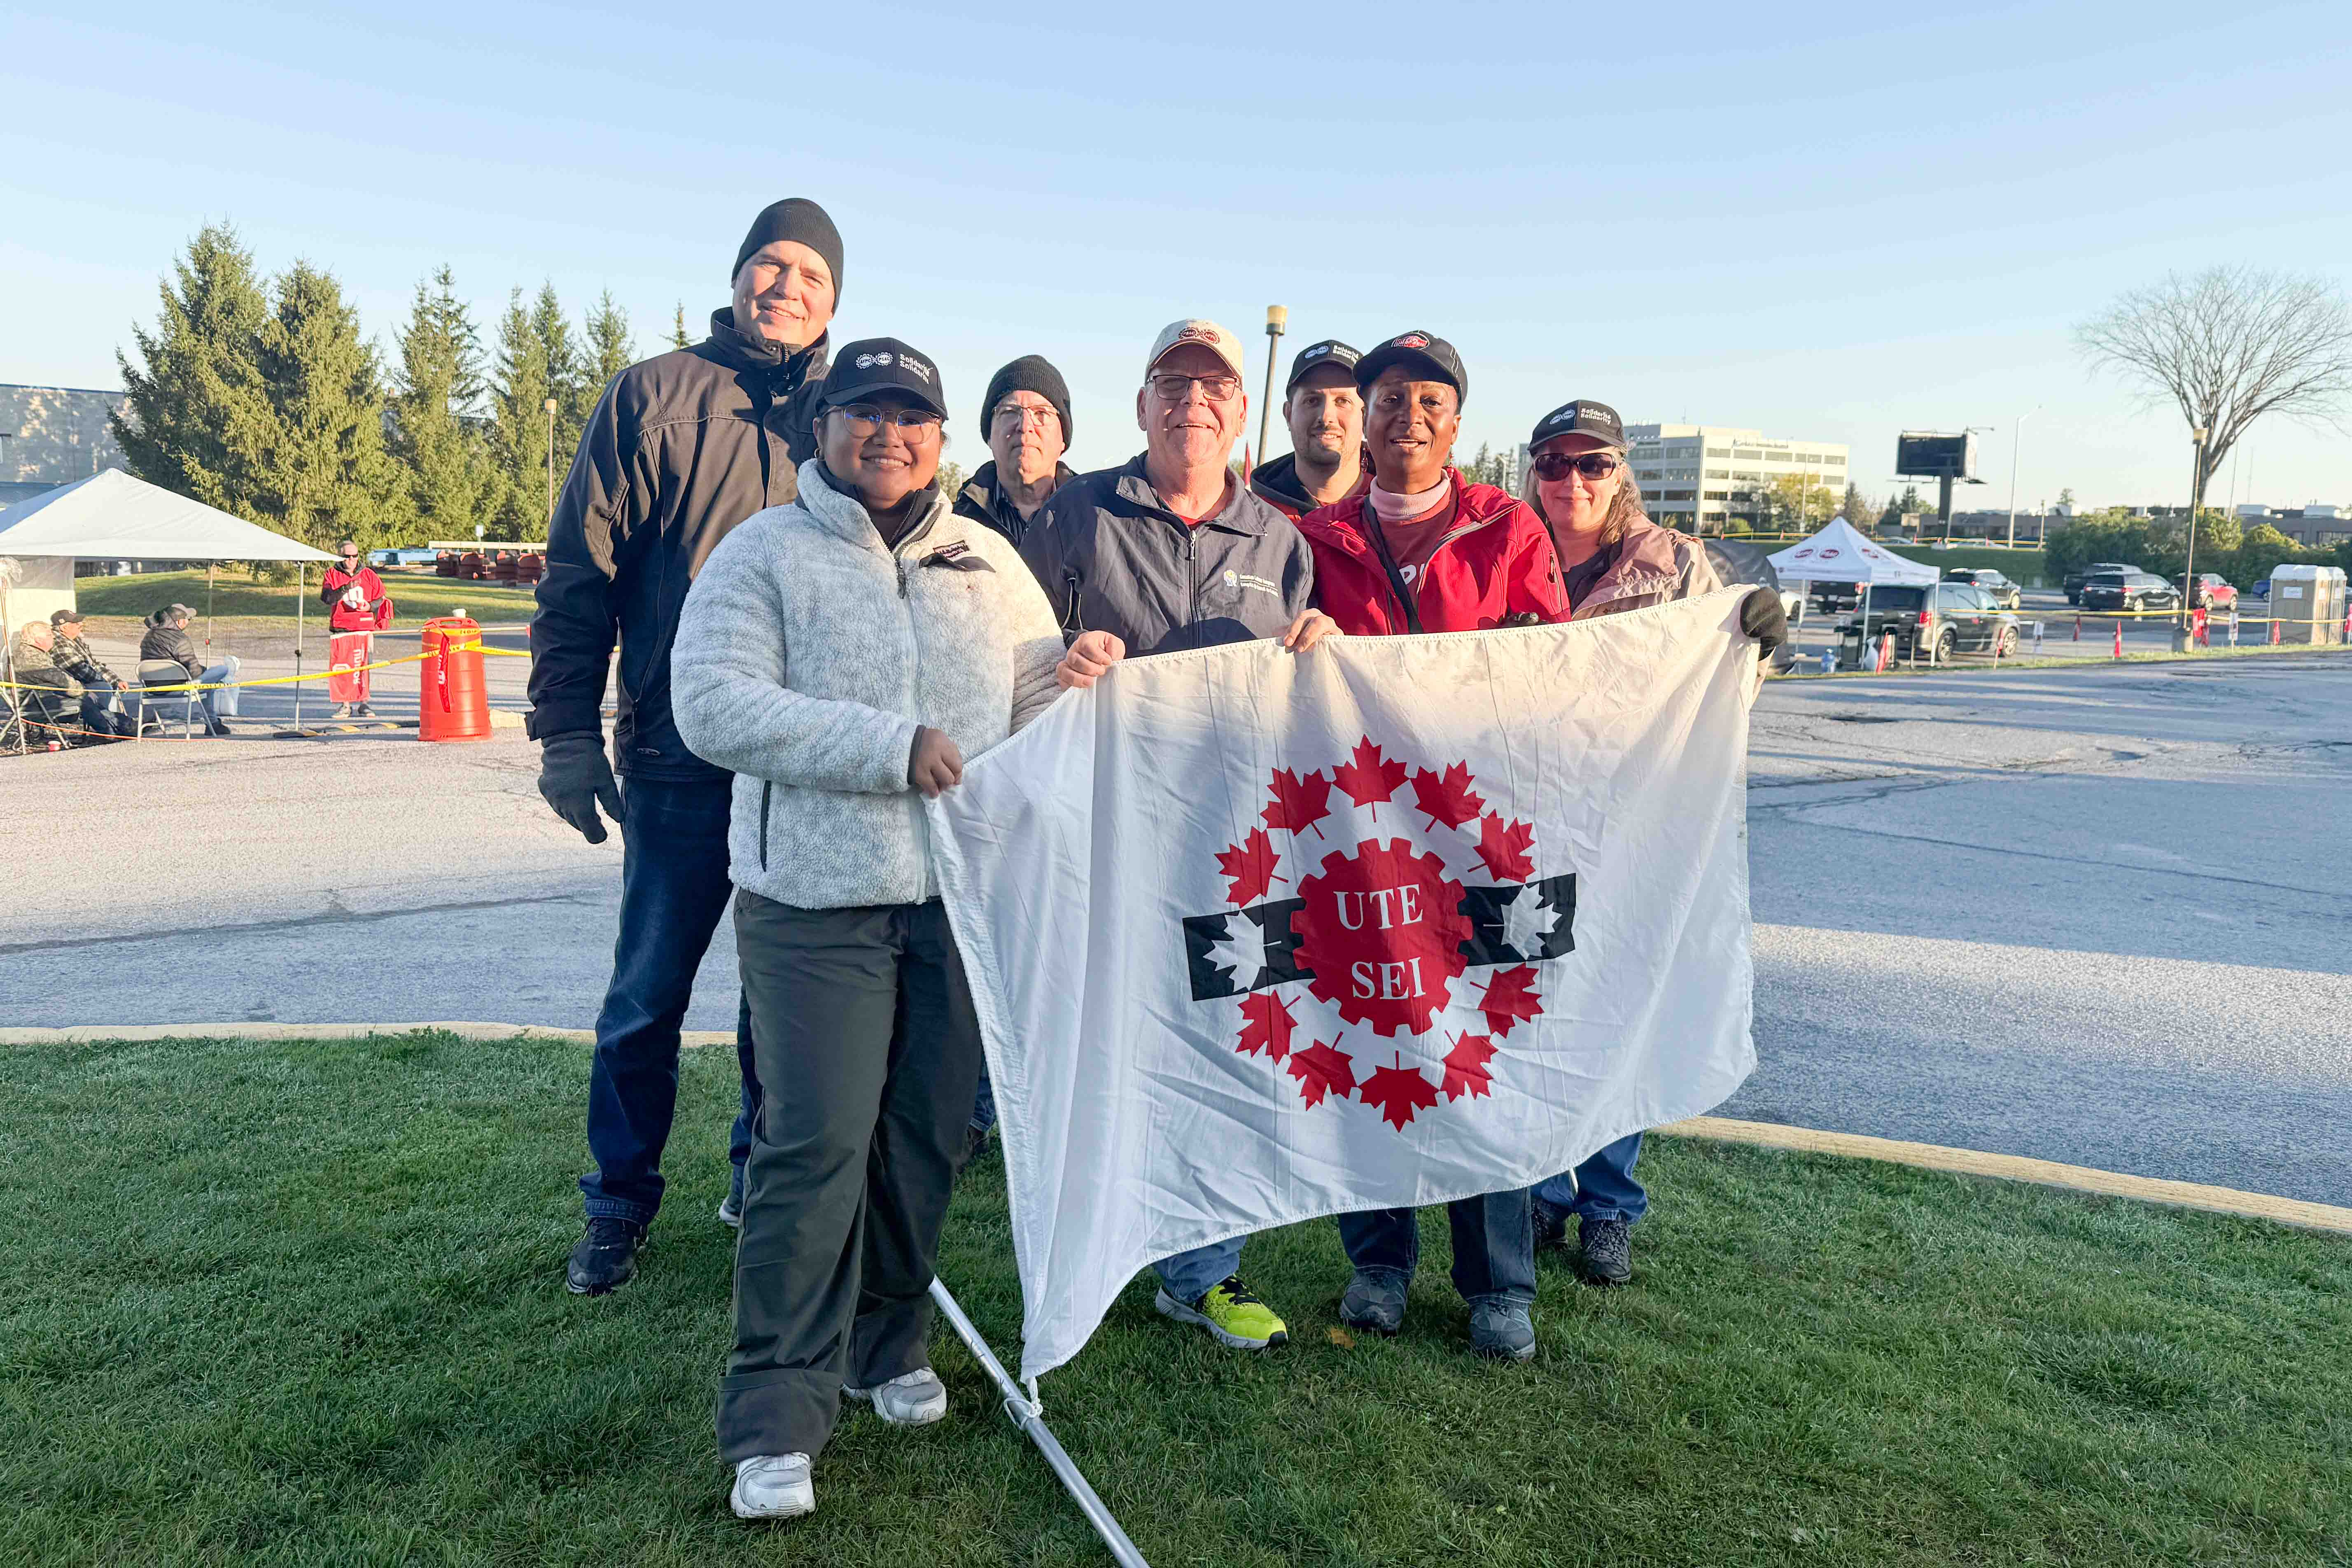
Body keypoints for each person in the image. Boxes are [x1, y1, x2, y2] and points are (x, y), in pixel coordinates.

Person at [671, 338, 1065, 1522]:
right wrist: (885, 748)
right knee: (815, 1149)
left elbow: (1029, 693)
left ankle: (884, 1344)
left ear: (943, 439)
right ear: (823, 426)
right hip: (814, 909)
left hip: (956, 904)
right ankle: (776, 1416)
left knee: (924, 1141)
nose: (888, 435)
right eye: (864, 412)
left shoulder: (985, 559)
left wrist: (1077, 673)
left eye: (912, 416)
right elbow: (712, 703)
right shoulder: (764, 552)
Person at [527, 197, 843, 1296]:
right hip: (675, 759)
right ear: (737, 274)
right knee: (646, 997)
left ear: (835, 298)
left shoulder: (854, 420)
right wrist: (566, 733)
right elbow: (578, 576)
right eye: (770, 264)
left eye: (808, 272)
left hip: (802, 769)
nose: (785, 287)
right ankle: (618, 1203)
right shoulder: (653, 398)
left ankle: (758, 1180)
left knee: (783, 1006)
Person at [1019, 317, 1339, 1354]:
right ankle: (1092, 1250)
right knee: (1098, 1039)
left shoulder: (1281, 540)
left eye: (1214, 387)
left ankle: (1206, 1273)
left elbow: (1303, 687)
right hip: (1104, 833)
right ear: (1143, 400)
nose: (1191, 402)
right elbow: (1005, 657)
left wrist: (1320, 648)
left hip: (1239, 842)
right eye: (1172, 382)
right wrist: (1058, 658)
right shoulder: (1075, 513)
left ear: (1241, 410)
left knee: (1238, 1044)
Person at [1293, 330, 1567, 1363]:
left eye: (1431, 399)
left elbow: (1550, 664)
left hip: (1479, 828)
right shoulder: (1317, 536)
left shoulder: (1508, 529)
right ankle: (1378, 1257)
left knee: (1479, 1048)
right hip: (1366, 833)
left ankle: (1498, 1278)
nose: (1409, 413)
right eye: (1391, 397)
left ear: (1458, 421)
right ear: (1363, 417)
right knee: (1373, 1035)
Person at [1517, 397, 1783, 1287]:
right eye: (1556, 463)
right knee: (1540, 1004)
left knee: (1620, 1005)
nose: (1574, 481)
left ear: (1621, 471)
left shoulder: (1674, 564)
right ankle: (1545, 1187)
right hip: (1538, 818)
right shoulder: (1512, 553)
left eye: (1594, 464)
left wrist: (1761, 641)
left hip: (1637, 821)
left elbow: (1727, 676)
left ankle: (1606, 1203)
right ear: (1535, 472)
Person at [953, 355, 1076, 546]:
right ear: (989, 436)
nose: (1025, 426)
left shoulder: (1094, 519)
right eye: (1010, 412)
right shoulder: (956, 524)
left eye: (1041, 413)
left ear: (1064, 439)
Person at [1247, 338, 1368, 520]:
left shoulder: (1398, 510)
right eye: (1312, 401)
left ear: (1366, 416)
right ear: (1288, 415)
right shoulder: (1251, 518)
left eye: (1343, 401)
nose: (1326, 416)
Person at [138, 604, 239, 737]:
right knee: (222, 670)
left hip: (151, 689)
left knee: (208, 684)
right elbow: (195, 672)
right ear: (179, 622)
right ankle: (213, 724)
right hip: (177, 688)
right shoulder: (180, 640)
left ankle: (214, 724)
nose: (189, 622)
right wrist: (208, 672)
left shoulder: (149, 636)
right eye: (189, 619)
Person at [321, 539, 394, 718]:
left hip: (364, 627)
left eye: (355, 556)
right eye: (347, 556)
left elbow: (381, 599)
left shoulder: (368, 574)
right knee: (344, 666)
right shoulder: (332, 574)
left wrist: (369, 606)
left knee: (364, 665)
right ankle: (345, 705)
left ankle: (364, 703)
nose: (351, 560)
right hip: (342, 627)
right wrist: (345, 588)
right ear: (340, 556)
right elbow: (327, 598)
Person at [47, 609, 135, 739]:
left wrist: (116, 681)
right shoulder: (59, 643)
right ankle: (112, 728)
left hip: (78, 685)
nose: (81, 625)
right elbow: (80, 671)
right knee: (100, 687)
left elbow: (94, 665)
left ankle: (120, 725)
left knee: (103, 686)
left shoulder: (74, 640)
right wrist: (105, 682)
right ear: (65, 627)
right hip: (66, 689)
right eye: (77, 624)